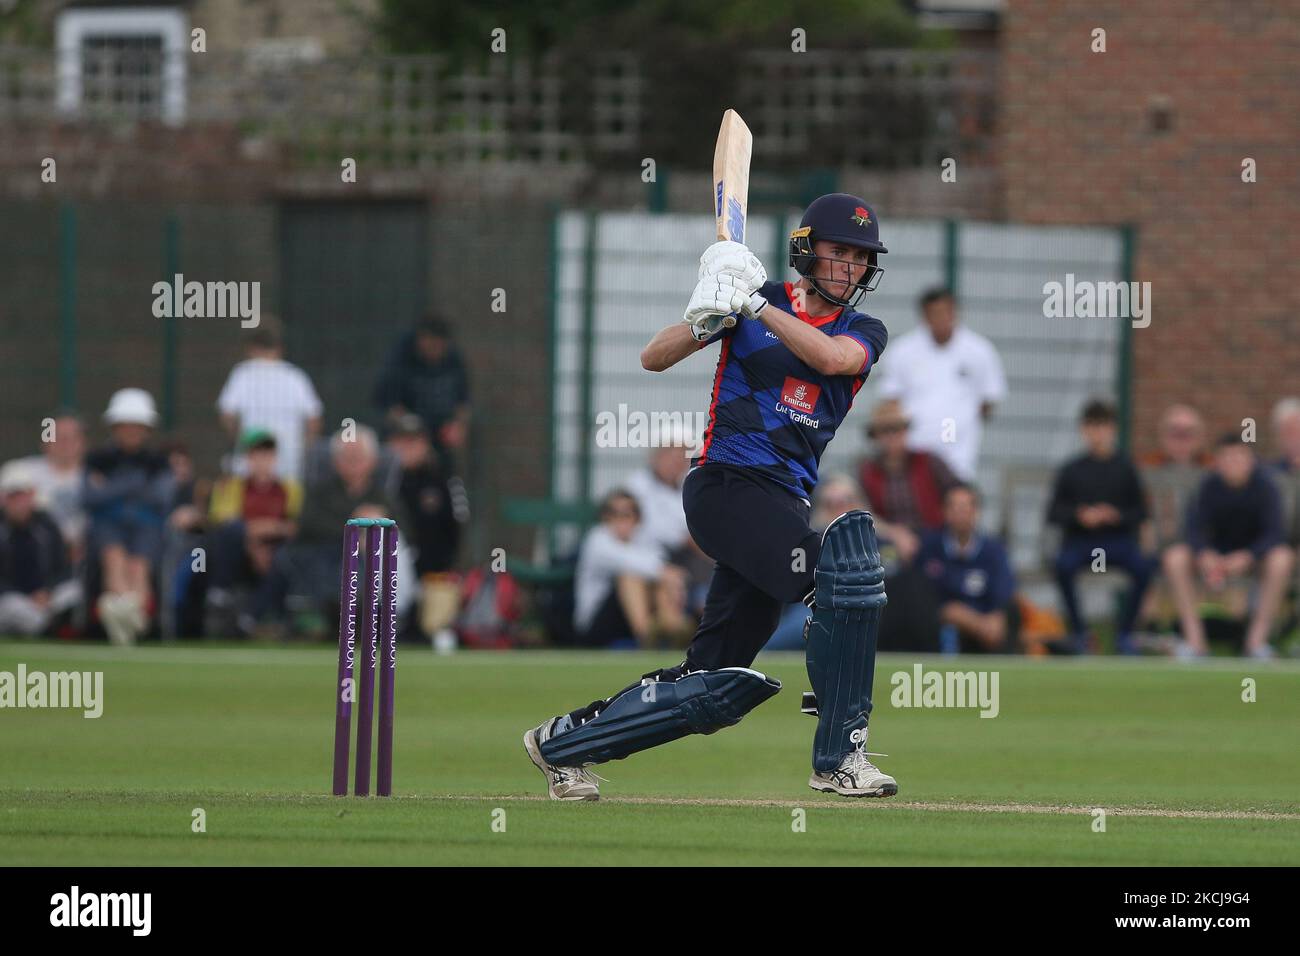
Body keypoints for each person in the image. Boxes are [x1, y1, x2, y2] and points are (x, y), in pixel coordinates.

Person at [524, 192, 895, 801]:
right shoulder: (748, 299)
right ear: (807, 251)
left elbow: (829, 357)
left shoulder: (861, 329)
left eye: (860, 256)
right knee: (843, 575)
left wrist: (755, 305)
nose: (849, 266)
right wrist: (711, 317)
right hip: (725, 489)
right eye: (838, 251)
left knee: (711, 684)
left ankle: (563, 745)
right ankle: (839, 758)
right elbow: (652, 357)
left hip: (782, 506)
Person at [253, 425, 400, 637]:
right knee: (291, 559)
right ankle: (269, 618)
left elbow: (401, 530)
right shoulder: (320, 492)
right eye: (346, 457)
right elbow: (307, 524)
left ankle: (369, 622)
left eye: (359, 456)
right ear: (336, 462)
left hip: (366, 562)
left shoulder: (384, 498)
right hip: (321, 555)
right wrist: (355, 526)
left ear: (373, 461)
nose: (353, 462)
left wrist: (376, 526)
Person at [1163, 435, 1294, 658]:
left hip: (1254, 558)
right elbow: (1193, 528)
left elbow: (1275, 533)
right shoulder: (1209, 487)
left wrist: (1248, 556)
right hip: (1214, 557)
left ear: (1251, 460)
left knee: (1282, 558)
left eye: (1239, 457)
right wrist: (1204, 553)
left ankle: (1256, 642)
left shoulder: (1265, 487)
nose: (1234, 462)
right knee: (1175, 557)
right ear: (1218, 461)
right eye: (1228, 457)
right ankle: (1195, 643)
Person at [1046, 399, 1153, 654]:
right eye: (1092, 426)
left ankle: (1125, 633)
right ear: (1084, 430)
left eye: (1103, 426)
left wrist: (1115, 515)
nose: (1097, 433)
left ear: (1113, 429)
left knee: (1145, 567)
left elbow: (1140, 512)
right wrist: (1080, 515)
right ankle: (1080, 633)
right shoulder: (1071, 470)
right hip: (1081, 543)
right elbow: (1054, 512)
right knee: (1062, 566)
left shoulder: (1125, 468)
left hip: (1117, 543)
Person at [875, 287, 1006, 481]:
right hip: (914, 451)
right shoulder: (902, 351)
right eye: (934, 314)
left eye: (945, 312)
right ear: (924, 316)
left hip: (960, 453)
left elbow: (988, 400)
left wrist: (962, 423)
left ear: (955, 312)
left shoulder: (980, 351)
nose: (940, 319)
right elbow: (891, 401)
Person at [83, 388, 174, 645]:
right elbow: (89, 498)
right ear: (115, 427)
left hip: (147, 526)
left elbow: (161, 498)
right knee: (114, 561)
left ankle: (121, 618)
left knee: (138, 568)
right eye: (126, 426)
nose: (131, 432)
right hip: (107, 525)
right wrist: (133, 484)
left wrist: (111, 488)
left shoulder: (159, 462)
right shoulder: (98, 458)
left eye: (137, 426)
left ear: (147, 429)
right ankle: (136, 622)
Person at [205, 429, 302, 634]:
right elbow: (224, 523)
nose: (262, 460)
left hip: (275, 555)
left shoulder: (291, 488)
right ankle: (220, 593)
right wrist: (254, 545)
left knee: (285, 560)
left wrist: (266, 538)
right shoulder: (230, 486)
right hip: (240, 556)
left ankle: (248, 618)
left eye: (267, 454)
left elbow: (296, 527)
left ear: (275, 458)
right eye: (256, 454)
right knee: (228, 534)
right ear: (247, 458)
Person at [572, 489, 691, 648]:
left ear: (637, 517)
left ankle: (671, 627)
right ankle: (648, 637)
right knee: (630, 577)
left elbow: (659, 566)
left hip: (631, 619)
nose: (620, 519)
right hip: (596, 624)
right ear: (605, 517)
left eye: (627, 513)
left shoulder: (643, 539)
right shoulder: (597, 538)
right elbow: (632, 563)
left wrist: (669, 578)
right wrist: (669, 576)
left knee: (659, 582)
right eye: (614, 513)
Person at [216, 316, 323, 481]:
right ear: (280, 349)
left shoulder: (242, 374)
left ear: (250, 348)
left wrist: (239, 440)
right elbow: (314, 421)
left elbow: (227, 415)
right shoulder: (296, 376)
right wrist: (301, 449)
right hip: (289, 465)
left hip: (250, 464)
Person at [916, 484, 1016, 653]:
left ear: (976, 512)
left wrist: (993, 617)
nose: (960, 513)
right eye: (954, 507)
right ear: (945, 512)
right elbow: (922, 593)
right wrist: (953, 613)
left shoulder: (994, 551)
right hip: (940, 626)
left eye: (965, 507)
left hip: (986, 625)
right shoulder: (930, 547)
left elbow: (1003, 590)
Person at [857, 398, 959, 564]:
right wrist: (895, 534)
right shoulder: (866, 471)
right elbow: (860, 512)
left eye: (897, 429)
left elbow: (958, 493)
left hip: (935, 539)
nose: (891, 436)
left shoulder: (929, 461)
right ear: (875, 436)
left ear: (906, 431)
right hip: (886, 543)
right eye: (885, 431)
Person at [0, 461, 81, 636]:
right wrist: (25, 597)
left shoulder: (47, 525)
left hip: (46, 597)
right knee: (17, 611)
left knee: (74, 592)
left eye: (23, 495)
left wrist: (47, 592)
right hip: (12, 598)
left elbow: (64, 567)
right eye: (13, 496)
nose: (19, 502)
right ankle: (51, 628)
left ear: (32, 496)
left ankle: (58, 627)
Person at [374, 315, 471, 462]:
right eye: (432, 346)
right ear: (421, 340)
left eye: (440, 347)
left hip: (442, 438)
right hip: (408, 436)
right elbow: (389, 405)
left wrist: (458, 426)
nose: (436, 351)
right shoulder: (400, 360)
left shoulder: (453, 360)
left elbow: (463, 401)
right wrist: (415, 434)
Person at [13, 413, 87, 558]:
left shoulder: (97, 477)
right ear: (45, 441)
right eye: (58, 437)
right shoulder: (20, 472)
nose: (65, 442)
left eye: (71, 437)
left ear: (83, 442)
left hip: (87, 555)